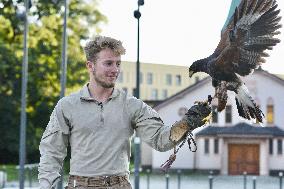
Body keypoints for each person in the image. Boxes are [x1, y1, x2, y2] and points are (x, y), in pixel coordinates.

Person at [38, 35, 211, 189]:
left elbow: (160, 139)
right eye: (108, 63)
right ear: (90, 66)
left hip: (119, 184)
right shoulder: (67, 106)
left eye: (118, 63)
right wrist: (46, 185)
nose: (115, 70)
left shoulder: (132, 105)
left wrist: (186, 123)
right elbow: (51, 151)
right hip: (80, 184)